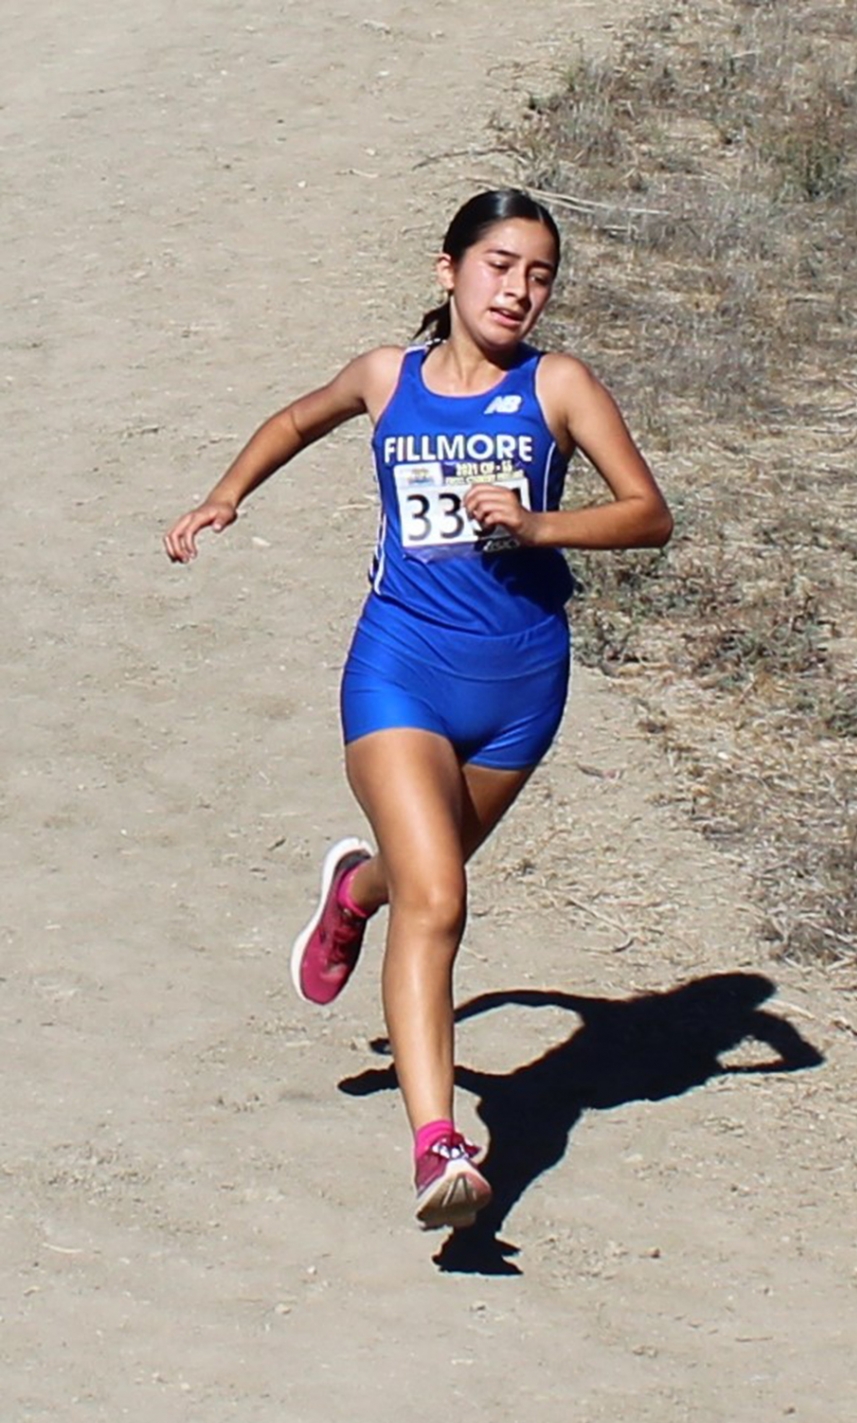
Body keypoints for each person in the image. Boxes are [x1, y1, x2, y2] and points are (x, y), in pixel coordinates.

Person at [164, 188, 673, 1232]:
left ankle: (354, 893)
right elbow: (299, 418)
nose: (518, 291)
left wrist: (539, 526)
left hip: (523, 686)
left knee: (415, 878)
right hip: (400, 668)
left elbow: (648, 515)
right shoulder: (385, 376)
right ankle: (439, 1140)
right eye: (498, 266)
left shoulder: (560, 386)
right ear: (448, 271)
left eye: (538, 275)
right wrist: (227, 493)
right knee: (439, 901)